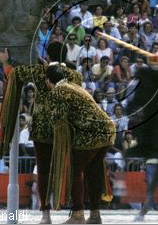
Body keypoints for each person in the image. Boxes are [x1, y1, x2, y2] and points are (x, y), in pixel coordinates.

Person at [0, 41, 82, 224]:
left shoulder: (38, 71)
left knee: (43, 172)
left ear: (48, 56)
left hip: (42, 128)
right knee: (71, 170)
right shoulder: (75, 75)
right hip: (65, 129)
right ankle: (77, 211)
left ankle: (45, 214)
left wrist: (5, 61)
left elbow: (14, 74)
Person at [45, 64, 115, 224]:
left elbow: (58, 119)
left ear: (49, 81)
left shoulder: (58, 90)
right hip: (107, 128)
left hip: (90, 133)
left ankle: (78, 214)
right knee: (93, 170)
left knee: (74, 172)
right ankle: (95, 214)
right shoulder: (74, 86)